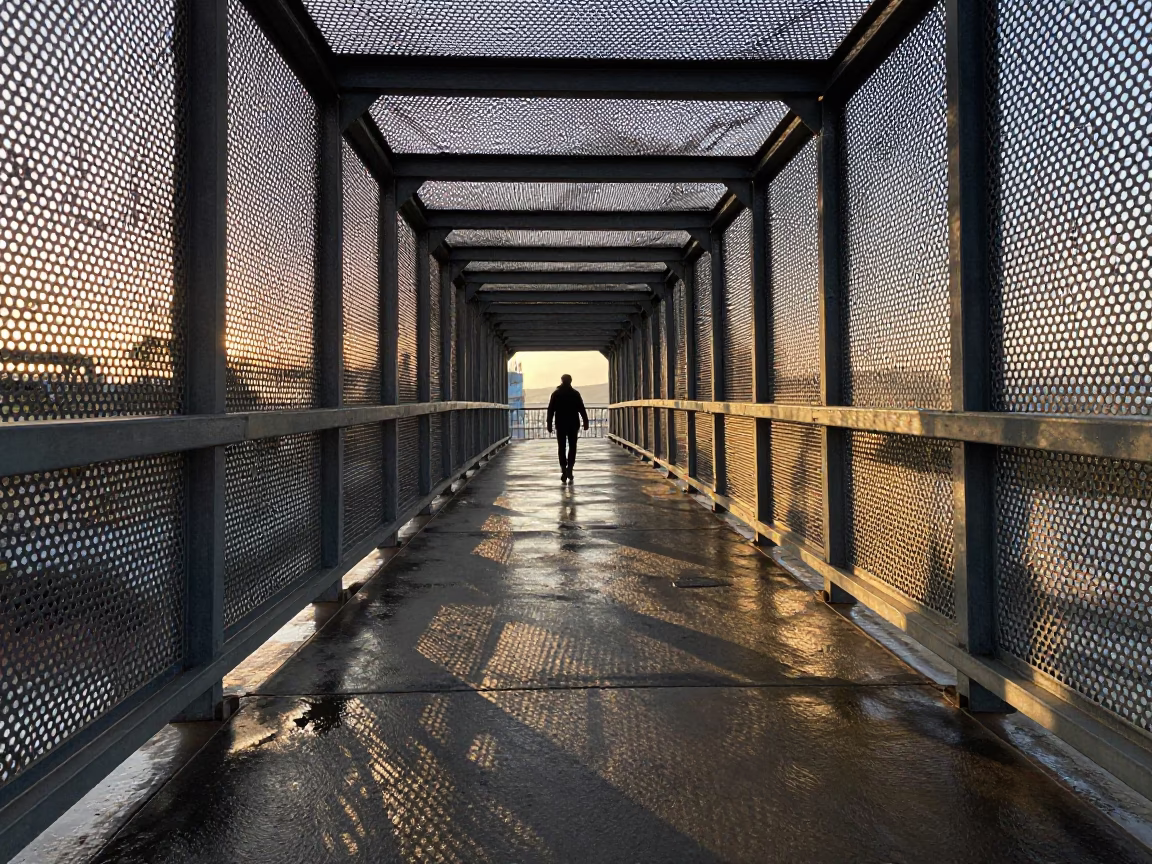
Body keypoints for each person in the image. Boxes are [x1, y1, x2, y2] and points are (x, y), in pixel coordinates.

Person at [546, 374, 589, 483]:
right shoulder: (575, 394)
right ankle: (570, 468)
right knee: (572, 447)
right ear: (570, 381)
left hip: (560, 424)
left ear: (562, 381)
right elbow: (581, 408)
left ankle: (563, 468)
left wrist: (549, 424)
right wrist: (585, 421)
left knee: (562, 447)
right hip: (573, 424)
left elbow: (551, 410)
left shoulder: (556, 394)